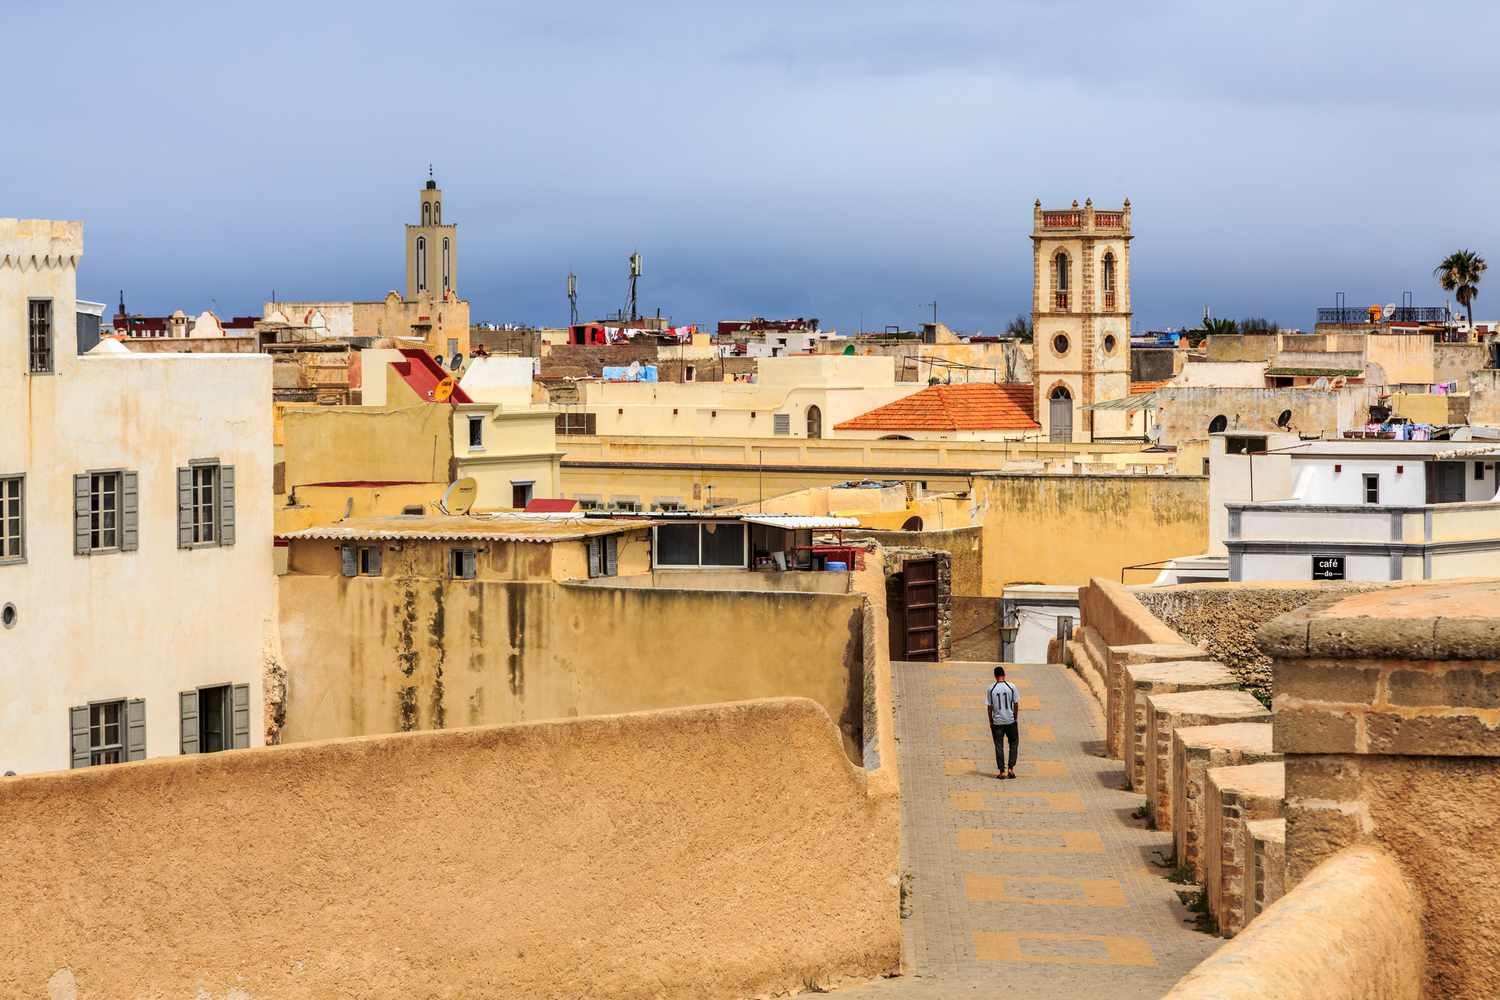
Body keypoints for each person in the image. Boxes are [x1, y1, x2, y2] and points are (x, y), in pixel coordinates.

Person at [986, 666, 1021, 779]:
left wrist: (991, 721)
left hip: (997, 722)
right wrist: (1015, 717)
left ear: (995, 676)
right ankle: (1011, 768)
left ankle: (1002, 771)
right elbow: (1015, 704)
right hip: (1010, 720)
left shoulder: (991, 689)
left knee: (999, 746)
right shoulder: (1011, 686)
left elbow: (989, 707)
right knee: (1014, 743)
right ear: (1004, 675)